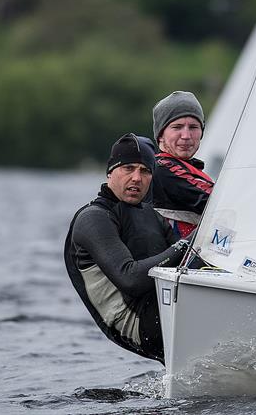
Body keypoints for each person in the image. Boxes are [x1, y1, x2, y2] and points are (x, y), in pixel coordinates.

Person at [63, 133, 189, 363]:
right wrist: (186, 246)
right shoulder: (93, 218)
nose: (137, 178)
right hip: (136, 324)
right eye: (128, 168)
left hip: (166, 308)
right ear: (110, 172)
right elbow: (130, 278)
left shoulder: (152, 216)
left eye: (145, 171)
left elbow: (188, 261)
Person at [151, 91, 215, 238]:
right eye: (177, 127)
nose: (186, 136)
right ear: (161, 134)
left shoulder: (187, 168)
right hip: (175, 260)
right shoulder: (161, 168)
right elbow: (216, 202)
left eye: (193, 127)